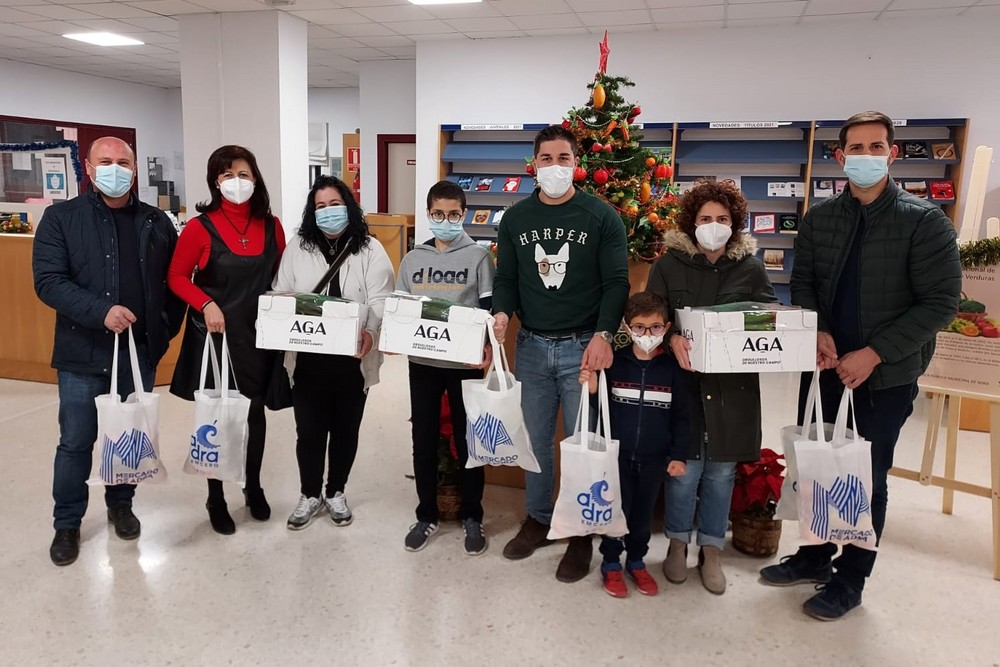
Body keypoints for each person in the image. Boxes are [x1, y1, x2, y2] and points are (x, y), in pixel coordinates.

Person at [759, 111, 962, 620]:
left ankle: (851, 578)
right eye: (856, 147)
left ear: (892, 154)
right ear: (840, 155)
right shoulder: (821, 218)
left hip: (883, 375)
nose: (866, 156)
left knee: (862, 478)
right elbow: (802, 284)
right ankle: (812, 557)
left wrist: (875, 353)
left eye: (877, 147)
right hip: (825, 367)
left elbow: (940, 304)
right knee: (815, 465)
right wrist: (819, 332)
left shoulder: (924, 221)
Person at [32, 136, 184, 566]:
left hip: (137, 356)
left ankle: (121, 504)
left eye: (123, 162)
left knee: (127, 436)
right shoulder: (61, 219)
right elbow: (48, 281)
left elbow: (171, 286)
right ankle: (67, 522)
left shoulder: (156, 222)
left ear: (134, 169)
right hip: (82, 354)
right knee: (76, 442)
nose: (115, 168)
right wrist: (102, 312)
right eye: (106, 161)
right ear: (89, 166)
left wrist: (162, 332)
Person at [492, 124, 630, 582]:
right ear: (534, 165)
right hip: (531, 345)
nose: (555, 167)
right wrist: (501, 314)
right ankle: (537, 518)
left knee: (579, 446)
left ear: (577, 163)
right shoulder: (515, 219)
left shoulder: (601, 217)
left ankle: (579, 533)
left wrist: (603, 335)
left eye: (563, 158)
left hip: (581, 349)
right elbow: (507, 279)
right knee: (533, 443)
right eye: (546, 159)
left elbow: (617, 283)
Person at [647, 179, 776, 595]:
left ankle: (712, 549)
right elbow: (652, 317)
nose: (714, 225)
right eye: (705, 218)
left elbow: (768, 317)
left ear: (735, 224)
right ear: (691, 223)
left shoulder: (751, 268)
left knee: (721, 472)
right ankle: (677, 542)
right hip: (683, 383)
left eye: (722, 219)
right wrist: (671, 339)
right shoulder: (668, 265)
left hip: (733, 389)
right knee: (684, 471)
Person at [167, 145, 286, 535]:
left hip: (258, 336)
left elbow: (282, 279)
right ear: (215, 182)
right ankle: (215, 495)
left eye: (244, 174)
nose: (236, 182)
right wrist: (205, 303)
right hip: (215, 338)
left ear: (256, 178)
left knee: (254, 414)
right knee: (218, 419)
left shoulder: (272, 226)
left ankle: (253, 486)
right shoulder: (200, 228)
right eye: (226, 175)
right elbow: (177, 277)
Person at [271, 175, 394, 530]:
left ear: (349, 206)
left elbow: (381, 300)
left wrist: (371, 333)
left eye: (335, 204)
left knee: (345, 429)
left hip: (353, 358)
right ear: (312, 211)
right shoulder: (298, 247)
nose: (328, 212)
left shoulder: (370, 249)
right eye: (320, 206)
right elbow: (281, 292)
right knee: (308, 430)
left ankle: (336, 490)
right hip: (308, 357)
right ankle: (309, 494)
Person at [396, 180, 496, 555]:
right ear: (428, 214)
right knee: (422, 439)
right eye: (438, 214)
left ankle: (473, 515)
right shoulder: (412, 259)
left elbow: (487, 311)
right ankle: (426, 514)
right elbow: (401, 311)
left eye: (454, 214)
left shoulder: (479, 258)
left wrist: (486, 346)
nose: (446, 220)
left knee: (469, 442)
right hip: (422, 363)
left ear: (464, 214)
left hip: (463, 364)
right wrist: (393, 339)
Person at [579, 292, 690, 598]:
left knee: (642, 516)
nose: (647, 335)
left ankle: (637, 561)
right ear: (626, 328)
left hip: (655, 459)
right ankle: (612, 562)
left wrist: (678, 455)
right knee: (616, 511)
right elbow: (599, 410)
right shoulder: (616, 364)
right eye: (639, 327)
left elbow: (683, 417)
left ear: (666, 327)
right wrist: (591, 390)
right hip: (618, 455)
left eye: (655, 328)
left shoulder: (673, 370)